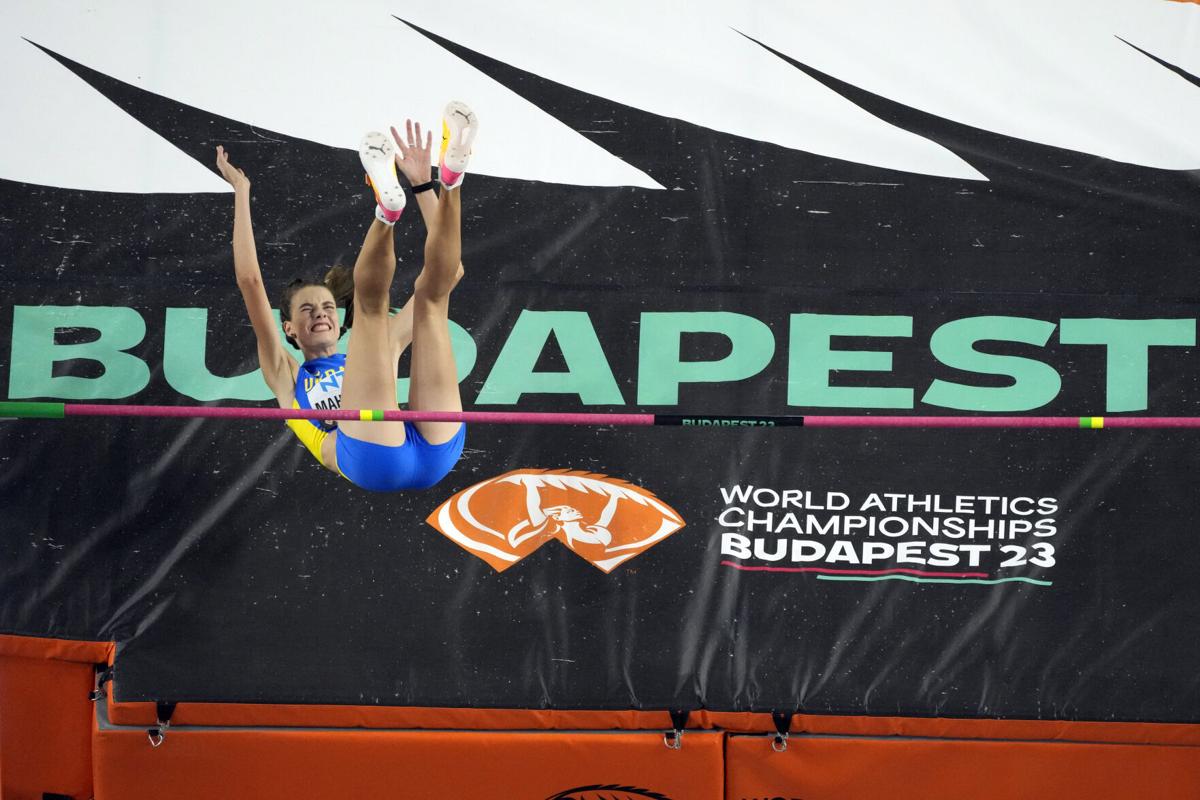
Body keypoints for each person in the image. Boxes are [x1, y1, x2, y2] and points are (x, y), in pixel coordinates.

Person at [213, 102, 478, 491]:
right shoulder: (285, 375)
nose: (320, 314)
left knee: (431, 301)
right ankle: (386, 212)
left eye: (325, 307)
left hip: (431, 447)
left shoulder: (379, 349)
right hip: (370, 457)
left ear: (337, 320)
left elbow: (450, 272)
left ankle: (449, 180)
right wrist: (241, 190)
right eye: (307, 309)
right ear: (289, 328)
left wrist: (423, 184)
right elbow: (250, 281)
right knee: (374, 311)